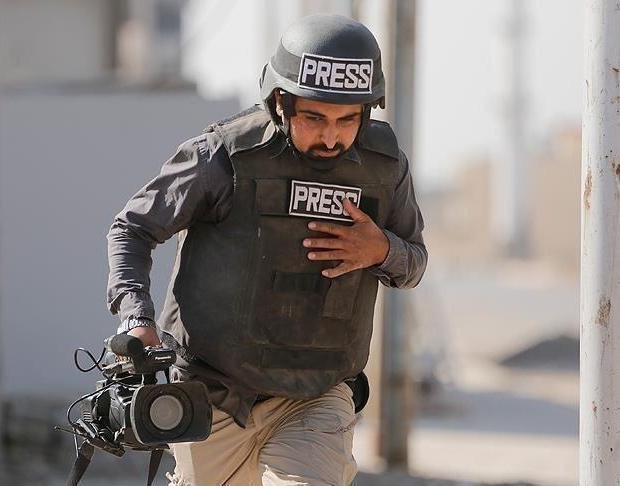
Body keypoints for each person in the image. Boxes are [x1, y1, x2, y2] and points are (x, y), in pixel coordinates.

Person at [107, 13, 427, 486]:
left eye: (348, 119)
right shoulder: (221, 157)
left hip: (318, 394)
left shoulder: (385, 168)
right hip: (213, 393)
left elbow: (414, 261)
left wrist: (382, 250)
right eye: (315, 118)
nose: (332, 137)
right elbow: (132, 228)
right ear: (280, 102)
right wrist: (136, 317)